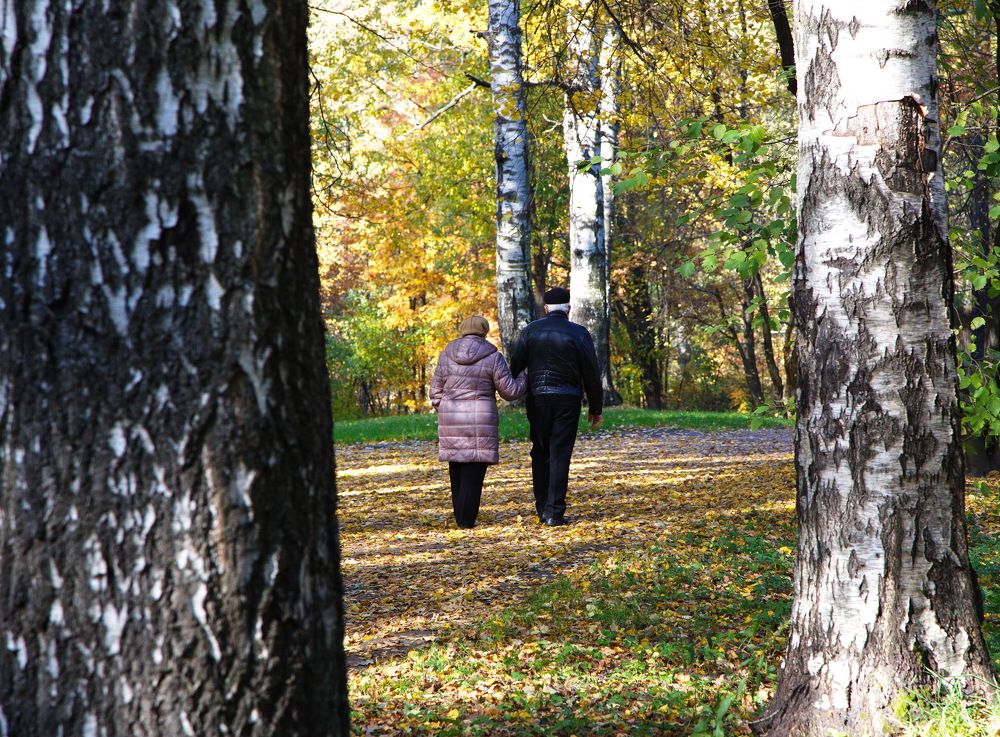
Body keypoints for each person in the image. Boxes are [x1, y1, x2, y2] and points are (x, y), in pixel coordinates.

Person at [510, 287, 603, 526]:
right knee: (560, 453)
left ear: (545, 309)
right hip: (568, 400)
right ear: (568, 308)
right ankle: (554, 512)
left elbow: (516, 364)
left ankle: (542, 507)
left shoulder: (530, 331)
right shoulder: (579, 333)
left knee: (540, 451)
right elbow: (591, 373)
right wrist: (596, 408)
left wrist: (512, 390)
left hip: (538, 399)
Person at [430, 315, 527, 529]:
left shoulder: (446, 355)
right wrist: (524, 377)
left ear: (463, 330)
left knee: (456, 469)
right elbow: (510, 391)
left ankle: (461, 517)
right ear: (484, 331)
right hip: (480, 420)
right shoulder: (493, 357)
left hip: (452, 418)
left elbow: (435, 391)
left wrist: (444, 408)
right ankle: (466, 520)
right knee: (474, 472)